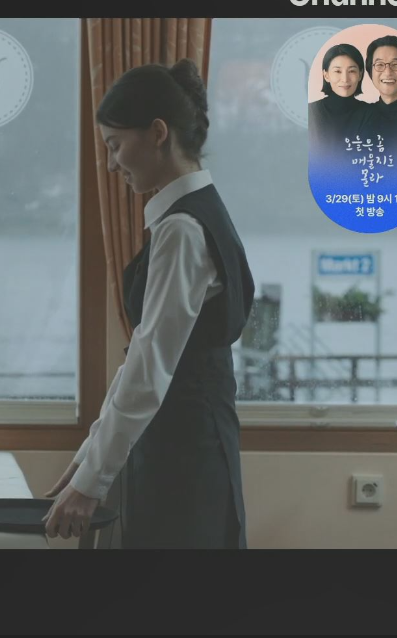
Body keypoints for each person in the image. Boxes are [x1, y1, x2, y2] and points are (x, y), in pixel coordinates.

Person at [42, 59, 254, 548]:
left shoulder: (182, 229)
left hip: (182, 453)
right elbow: (143, 355)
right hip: (188, 442)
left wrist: (89, 484)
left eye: (115, 145)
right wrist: (89, 457)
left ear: (158, 133)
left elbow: (149, 366)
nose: (111, 164)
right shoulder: (196, 213)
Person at [308, 43, 377, 156]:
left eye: (352, 71)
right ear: (326, 75)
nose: (345, 79)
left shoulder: (372, 113)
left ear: (360, 75)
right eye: (337, 71)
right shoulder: (310, 112)